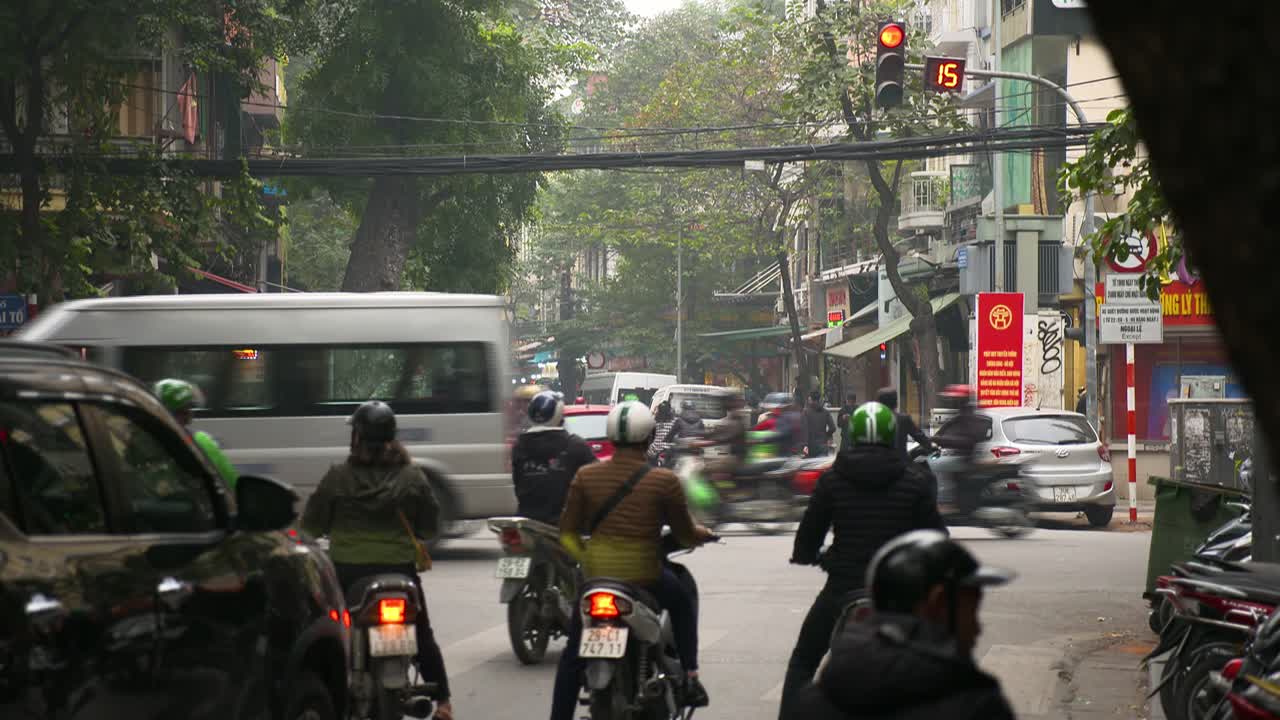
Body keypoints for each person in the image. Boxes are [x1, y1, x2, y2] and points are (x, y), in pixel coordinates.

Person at [779, 402, 947, 720]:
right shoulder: (913, 482)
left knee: (804, 660)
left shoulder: (833, 480)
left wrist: (806, 556)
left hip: (843, 588)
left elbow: (809, 533)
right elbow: (938, 538)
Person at [551, 401, 717, 720]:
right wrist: (702, 534)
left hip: (595, 579)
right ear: (650, 436)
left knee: (572, 658)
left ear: (611, 437)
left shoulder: (586, 476)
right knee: (682, 600)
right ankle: (691, 677)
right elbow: (683, 534)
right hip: (645, 576)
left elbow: (567, 533)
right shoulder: (663, 480)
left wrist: (587, 561)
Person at [300, 401, 454, 720]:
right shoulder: (412, 477)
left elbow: (312, 526)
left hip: (348, 571)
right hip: (399, 570)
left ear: (356, 437)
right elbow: (428, 526)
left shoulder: (338, 477)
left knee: (329, 633)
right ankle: (443, 702)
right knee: (421, 633)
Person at [790, 529, 1017, 720]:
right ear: (936, 602)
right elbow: (936, 529)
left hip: (843, 582)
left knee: (804, 658)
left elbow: (808, 537)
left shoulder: (816, 699)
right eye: (971, 613)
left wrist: (821, 558)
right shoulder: (975, 706)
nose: (977, 629)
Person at [511, 391, 597, 525]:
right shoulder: (575, 445)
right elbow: (596, 484)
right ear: (560, 418)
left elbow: (518, 484)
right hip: (565, 524)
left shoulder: (519, 447)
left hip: (527, 522)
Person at [152, 378, 239, 489]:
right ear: (166, 415)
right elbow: (233, 484)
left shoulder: (141, 441)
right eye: (183, 412)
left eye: (189, 410)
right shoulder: (200, 442)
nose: (189, 419)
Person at [930, 385, 989, 516]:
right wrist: (935, 438)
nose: (952, 403)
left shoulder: (970, 416)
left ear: (962, 400)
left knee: (934, 464)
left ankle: (945, 501)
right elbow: (946, 429)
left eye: (955, 400)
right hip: (959, 456)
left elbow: (967, 440)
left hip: (967, 459)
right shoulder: (962, 415)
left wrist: (943, 440)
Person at [876, 387, 933, 460]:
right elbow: (920, 437)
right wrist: (928, 446)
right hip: (899, 464)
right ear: (896, 402)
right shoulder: (903, 419)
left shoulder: (869, 419)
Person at [803, 391, 836, 458]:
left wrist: (805, 445)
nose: (808, 401)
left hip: (811, 446)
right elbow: (833, 428)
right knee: (822, 467)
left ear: (811, 399)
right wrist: (826, 435)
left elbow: (805, 430)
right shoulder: (825, 412)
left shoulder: (806, 412)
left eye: (809, 399)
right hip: (823, 445)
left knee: (812, 467)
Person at [648, 399, 677, 464]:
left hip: (656, 448)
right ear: (670, 410)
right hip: (670, 448)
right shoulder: (675, 421)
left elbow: (650, 435)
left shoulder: (655, 421)